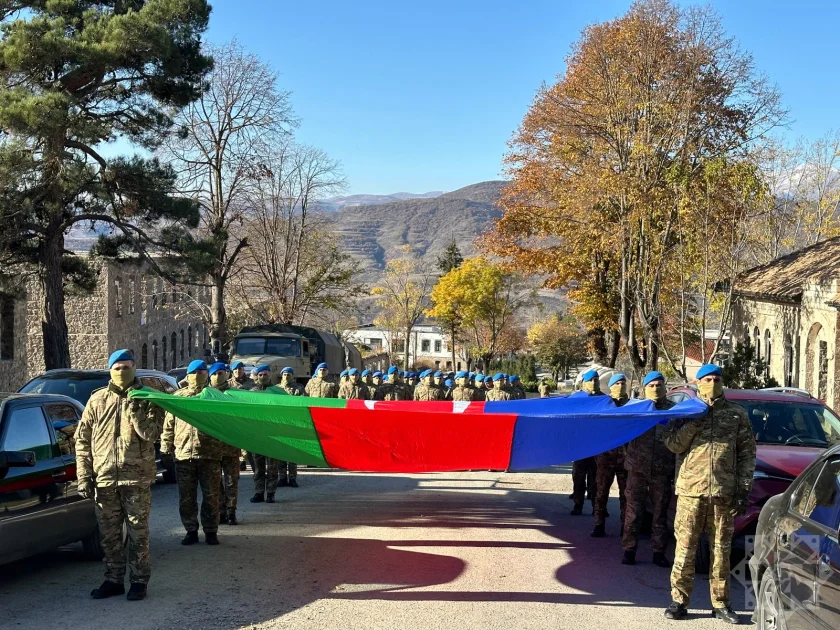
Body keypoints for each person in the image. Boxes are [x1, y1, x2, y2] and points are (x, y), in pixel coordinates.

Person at [662, 364, 755, 623]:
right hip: (691, 492)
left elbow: (747, 454)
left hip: (723, 494)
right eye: (707, 379)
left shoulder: (736, 414)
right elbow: (673, 444)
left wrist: (743, 490)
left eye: (716, 379)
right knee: (685, 549)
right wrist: (695, 420)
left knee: (721, 551)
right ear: (697, 382)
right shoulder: (685, 412)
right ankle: (679, 601)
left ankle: (722, 604)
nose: (712, 383)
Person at [76, 349, 163, 601]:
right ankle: (113, 579)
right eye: (117, 368)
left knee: (138, 532)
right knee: (109, 534)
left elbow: (151, 435)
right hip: (104, 479)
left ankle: (138, 582)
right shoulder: (97, 400)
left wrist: (136, 410)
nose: (122, 372)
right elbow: (82, 441)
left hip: (136, 479)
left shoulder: (149, 398)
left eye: (126, 367)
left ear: (134, 368)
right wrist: (84, 476)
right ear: (110, 371)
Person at [161, 360, 223, 546]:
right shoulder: (178, 398)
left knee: (211, 497)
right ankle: (191, 530)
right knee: (187, 498)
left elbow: (226, 425)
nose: (198, 375)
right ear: (187, 376)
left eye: (202, 371)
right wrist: (165, 449)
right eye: (194, 372)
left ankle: (211, 531)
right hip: (184, 456)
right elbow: (169, 426)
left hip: (209, 455)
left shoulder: (215, 397)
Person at [622, 371, 674, 567]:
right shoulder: (636, 409)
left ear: (665, 387)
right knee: (634, 512)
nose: (655, 389)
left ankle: (658, 551)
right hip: (637, 469)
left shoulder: (673, 411)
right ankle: (629, 549)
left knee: (660, 513)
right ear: (644, 388)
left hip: (662, 471)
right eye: (651, 385)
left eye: (659, 385)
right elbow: (621, 433)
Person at [591, 373, 629, 538]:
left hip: (626, 459)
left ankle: (624, 526)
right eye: (617, 383)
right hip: (605, 458)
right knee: (601, 493)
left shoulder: (633, 406)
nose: (620, 386)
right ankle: (599, 525)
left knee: (625, 495)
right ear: (611, 386)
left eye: (623, 383)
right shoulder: (604, 405)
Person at [208, 363, 241, 526]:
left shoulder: (234, 394)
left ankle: (231, 512)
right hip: (210, 449)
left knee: (231, 482)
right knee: (215, 484)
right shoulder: (205, 395)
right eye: (214, 374)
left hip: (231, 447)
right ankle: (219, 512)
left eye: (221, 373)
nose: (218, 376)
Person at [570, 369, 600, 515]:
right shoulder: (576, 398)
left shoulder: (604, 399)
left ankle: (597, 506)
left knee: (596, 479)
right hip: (580, 445)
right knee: (579, 477)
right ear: (584, 383)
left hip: (597, 446)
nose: (594, 383)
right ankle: (578, 504)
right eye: (591, 380)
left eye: (596, 380)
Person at [249, 365, 280, 502]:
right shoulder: (251, 393)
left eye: (265, 374)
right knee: (258, 467)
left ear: (270, 375)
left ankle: (271, 493)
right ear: (257, 376)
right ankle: (259, 492)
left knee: (272, 467)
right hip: (257, 434)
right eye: (260, 375)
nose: (263, 377)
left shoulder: (277, 392)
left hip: (272, 434)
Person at [277, 367, 304, 488]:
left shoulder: (299, 389)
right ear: (281, 375)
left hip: (293, 423)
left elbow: (303, 404)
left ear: (293, 375)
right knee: (281, 453)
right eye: (285, 374)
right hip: (280, 424)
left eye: (289, 374)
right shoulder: (276, 389)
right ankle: (282, 477)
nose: (286, 376)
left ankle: (292, 478)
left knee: (292, 453)